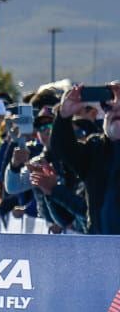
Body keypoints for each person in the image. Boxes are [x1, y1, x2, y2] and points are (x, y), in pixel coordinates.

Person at [51, 82, 120, 235]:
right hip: (100, 248)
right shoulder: (95, 148)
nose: (115, 111)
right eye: (109, 107)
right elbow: (62, 149)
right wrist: (63, 116)